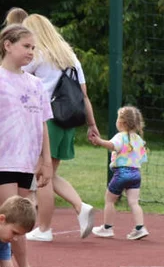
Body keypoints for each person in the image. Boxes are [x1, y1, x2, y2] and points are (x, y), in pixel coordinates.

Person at [22, 14, 98, 242]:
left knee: (42, 175)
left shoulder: (37, 55)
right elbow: (83, 95)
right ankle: (80, 206)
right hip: (68, 121)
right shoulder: (70, 56)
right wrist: (92, 124)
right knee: (50, 173)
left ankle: (44, 228)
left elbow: (18, 80)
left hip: (46, 120)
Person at [0, 24, 51, 267]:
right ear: (8, 45)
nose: (31, 52)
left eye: (33, 48)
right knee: (9, 222)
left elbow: (42, 124)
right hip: (3, 161)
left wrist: (45, 161)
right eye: (26, 46)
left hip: (26, 163)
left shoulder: (36, 84)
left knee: (19, 223)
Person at [88, 106, 149, 240]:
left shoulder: (121, 137)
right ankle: (140, 227)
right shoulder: (139, 140)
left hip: (122, 173)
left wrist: (99, 141)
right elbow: (142, 158)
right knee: (134, 202)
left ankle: (107, 228)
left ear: (122, 123)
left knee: (109, 200)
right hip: (136, 174)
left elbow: (112, 145)